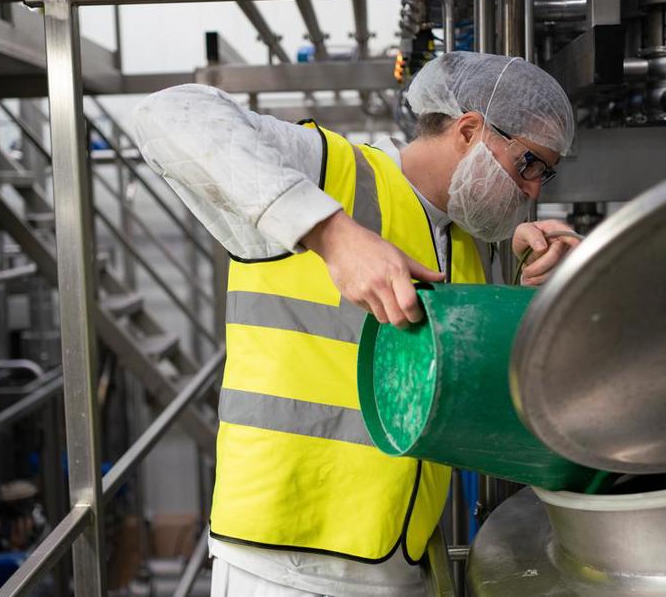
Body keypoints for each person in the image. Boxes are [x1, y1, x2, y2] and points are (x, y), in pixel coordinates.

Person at [134, 51, 578, 597]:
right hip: (288, 562)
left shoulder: (462, 242)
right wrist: (331, 234)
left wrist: (524, 285)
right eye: (529, 164)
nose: (534, 190)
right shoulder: (333, 173)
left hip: (398, 559)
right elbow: (169, 112)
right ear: (468, 130)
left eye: (545, 173)